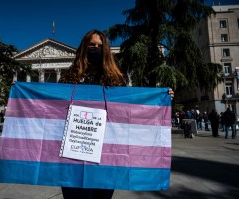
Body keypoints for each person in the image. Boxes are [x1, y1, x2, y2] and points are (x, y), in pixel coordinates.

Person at [58, 29, 174, 199]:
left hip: (106, 155)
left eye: (99, 46)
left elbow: (129, 110)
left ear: (105, 50)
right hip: (74, 154)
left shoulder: (115, 80)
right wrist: (21, 93)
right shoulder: (69, 77)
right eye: (91, 45)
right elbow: (53, 108)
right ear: (84, 47)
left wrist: (160, 99)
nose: (95, 49)